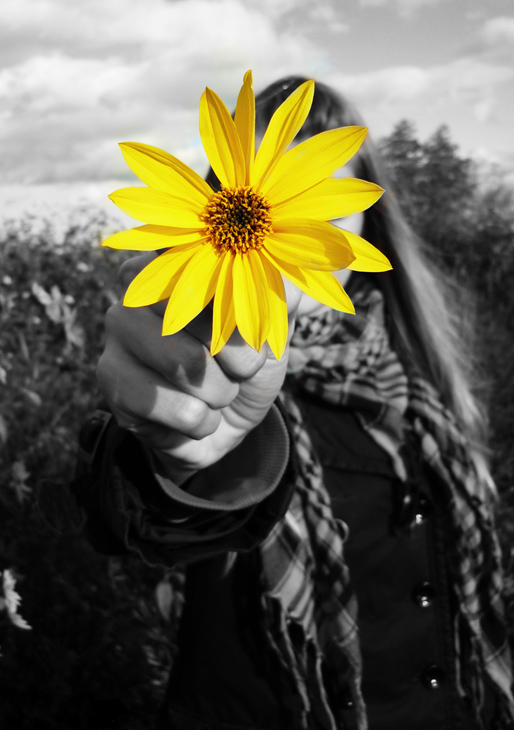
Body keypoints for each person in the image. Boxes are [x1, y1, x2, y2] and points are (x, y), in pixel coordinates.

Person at [46, 78, 514, 729]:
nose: (295, 231)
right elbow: (129, 514)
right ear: (212, 207)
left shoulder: (421, 375)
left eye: (322, 208)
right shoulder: (214, 362)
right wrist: (177, 451)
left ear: (366, 224)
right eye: (278, 203)